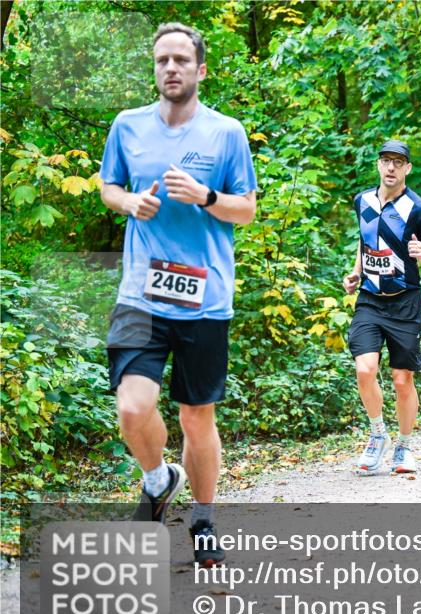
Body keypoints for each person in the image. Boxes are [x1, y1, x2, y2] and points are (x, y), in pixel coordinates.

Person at [99, 23, 258, 567]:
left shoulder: (226, 133)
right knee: (132, 407)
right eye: (162, 59)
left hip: (205, 296)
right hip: (141, 291)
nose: (171, 68)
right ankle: (158, 477)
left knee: (197, 417)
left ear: (200, 70)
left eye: (181, 60)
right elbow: (109, 186)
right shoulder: (127, 126)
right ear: (155, 67)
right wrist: (128, 205)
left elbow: (247, 208)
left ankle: (205, 516)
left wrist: (208, 195)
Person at [344, 140, 421, 474]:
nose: (391, 167)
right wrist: (356, 273)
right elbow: (366, 242)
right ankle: (378, 435)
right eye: (386, 161)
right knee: (364, 369)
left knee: (402, 381)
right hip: (370, 301)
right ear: (378, 164)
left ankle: (403, 447)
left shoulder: (417, 209)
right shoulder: (362, 200)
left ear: (408, 168)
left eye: (398, 162)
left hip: (405, 304)